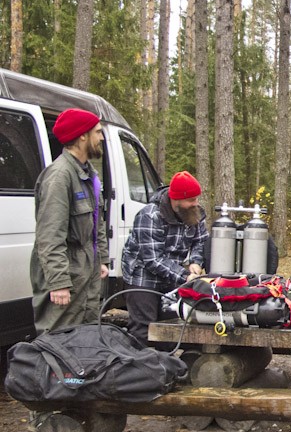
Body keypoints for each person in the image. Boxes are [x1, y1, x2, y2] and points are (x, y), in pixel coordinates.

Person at [30, 108, 109, 334]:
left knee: (86, 339)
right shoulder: (60, 176)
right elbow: (49, 235)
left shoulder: (88, 174)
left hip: (87, 271)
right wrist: (59, 283)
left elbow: (97, 222)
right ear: (82, 136)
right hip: (68, 275)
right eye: (97, 132)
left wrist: (101, 259)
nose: (101, 137)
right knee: (58, 342)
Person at [122, 171, 209, 346]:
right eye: (191, 200)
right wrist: (185, 277)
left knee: (172, 324)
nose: (196, 203)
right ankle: (139, 368)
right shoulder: (150, 216)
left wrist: (195, 262)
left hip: (172, 272)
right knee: (143, 330)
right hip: (142, 275)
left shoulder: (195, 212)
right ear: (176, 200)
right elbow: (153, 259)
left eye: (196, 198)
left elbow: (201, 241)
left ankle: (164, 365)